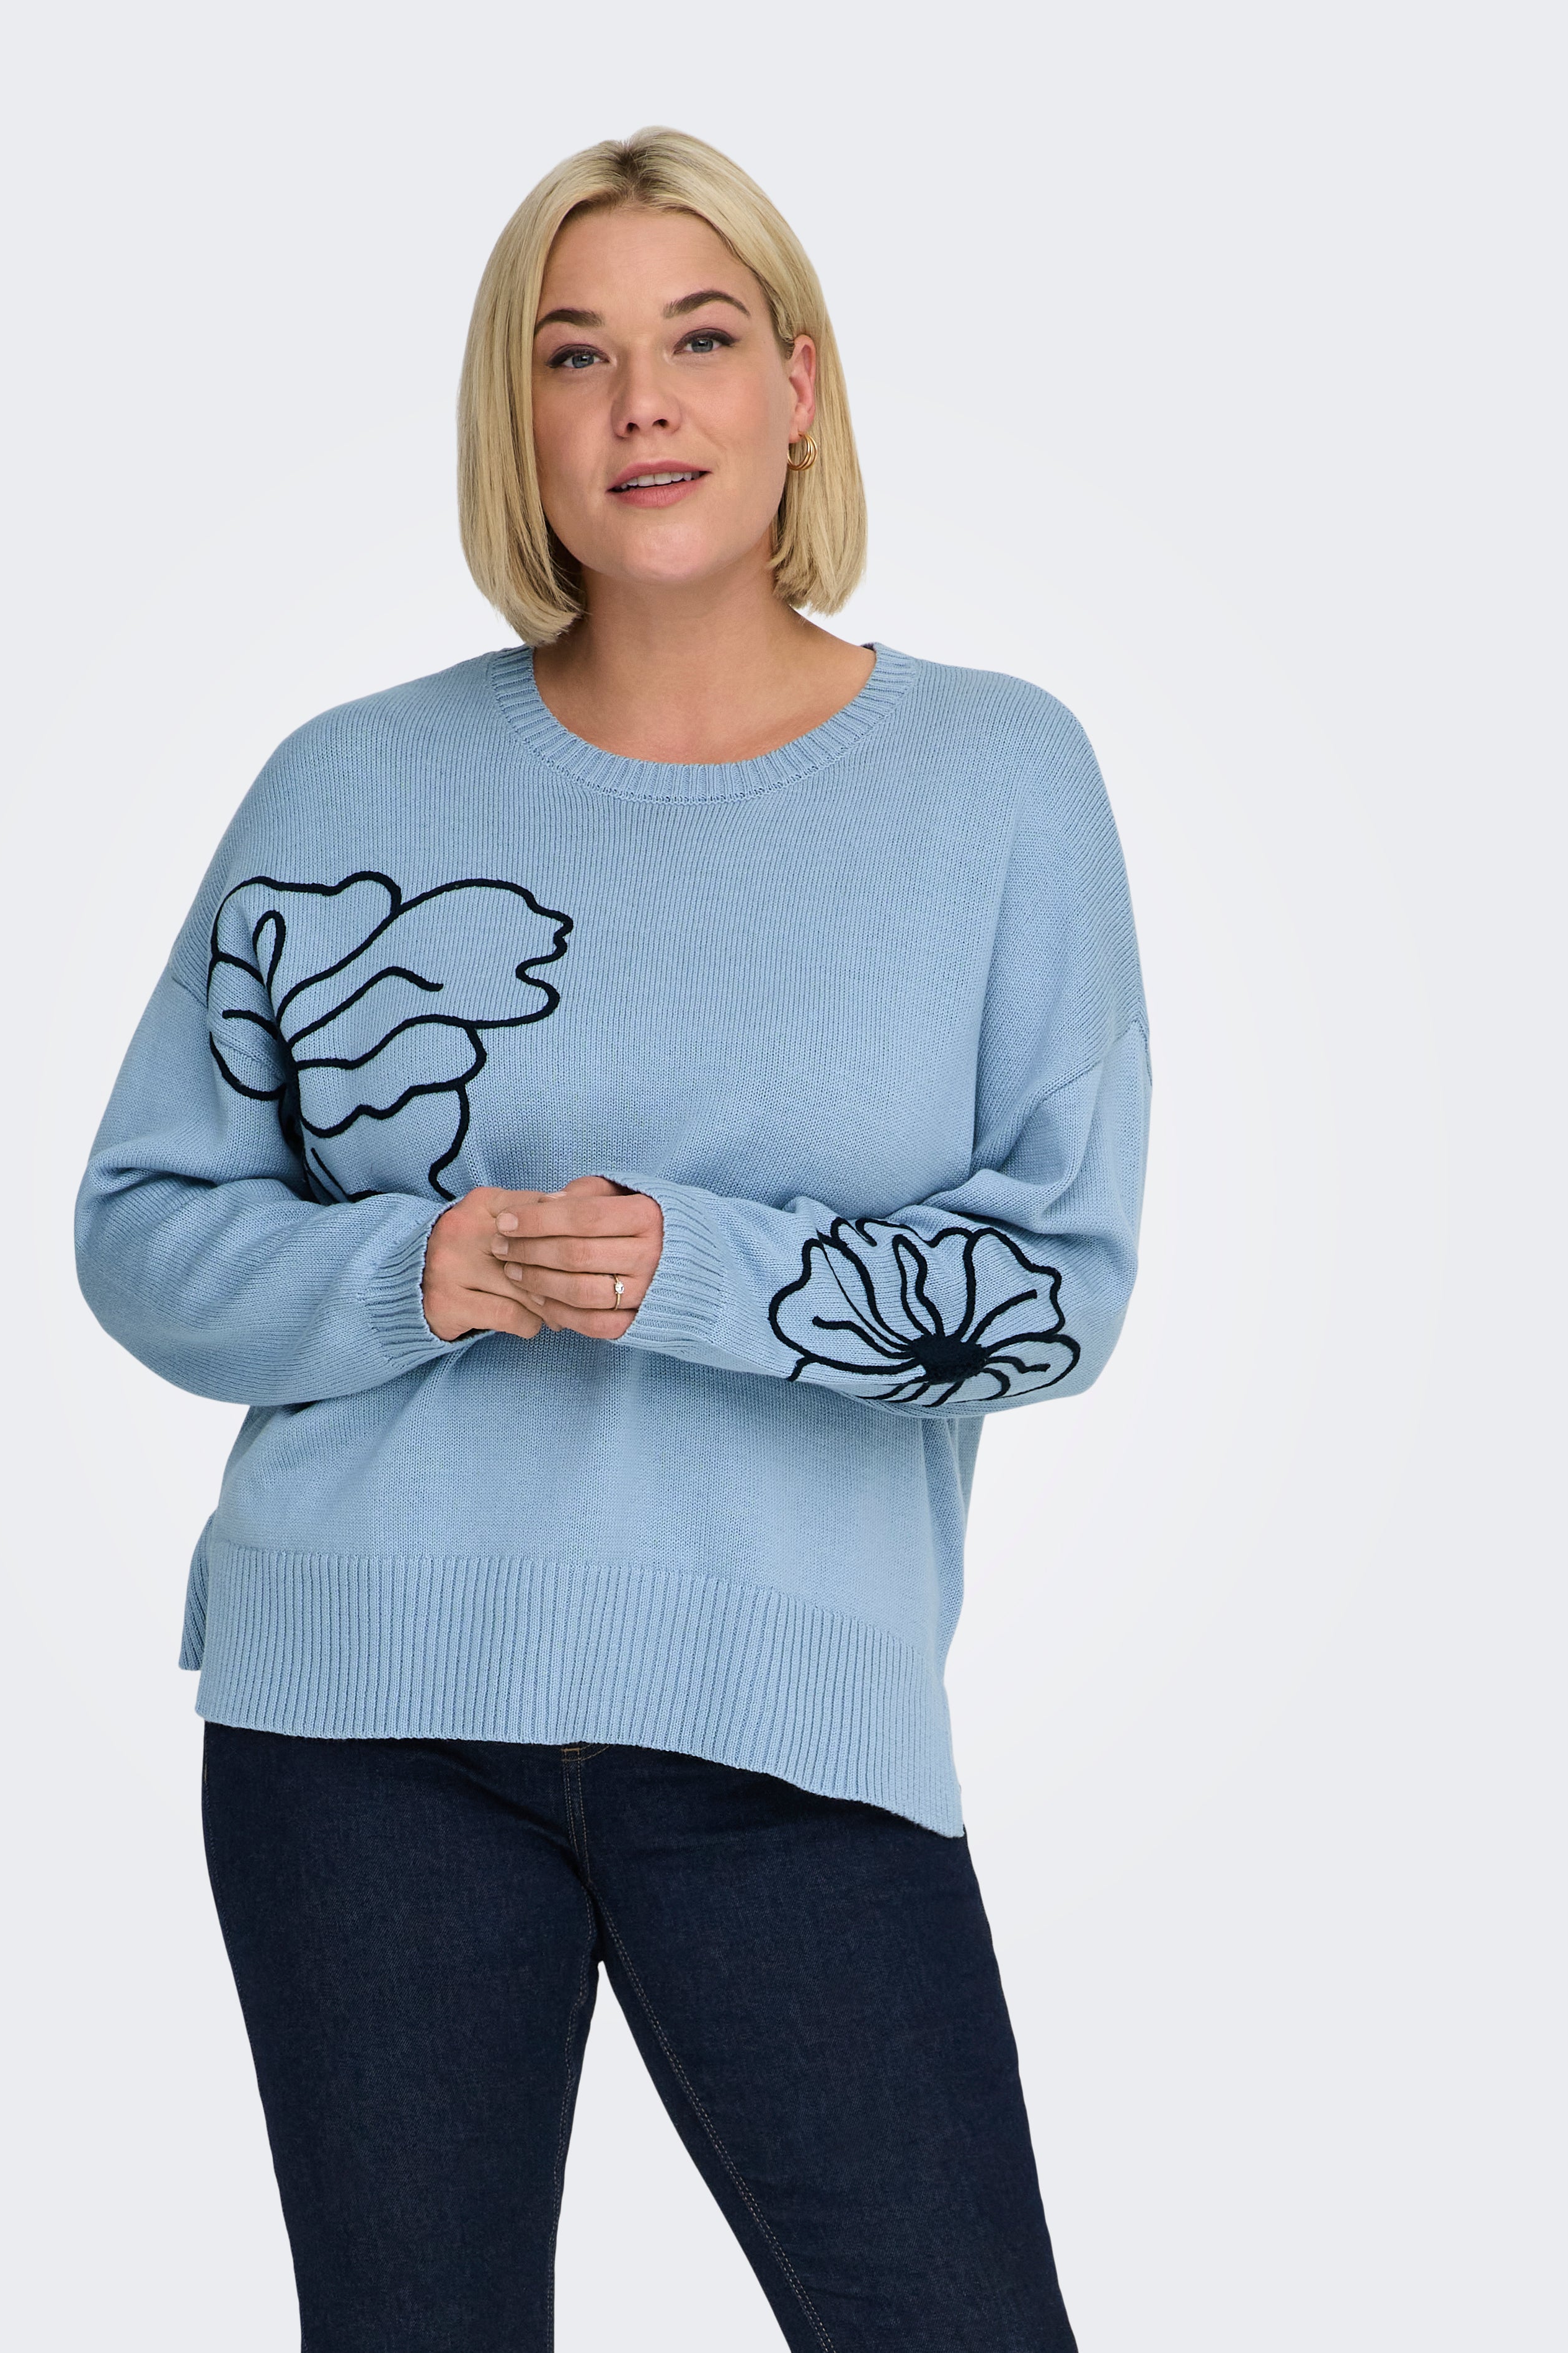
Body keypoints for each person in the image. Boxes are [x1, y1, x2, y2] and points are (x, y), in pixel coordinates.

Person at [75, 125, 1150, 2353]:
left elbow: (1059, 1290)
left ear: (800, 388)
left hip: (791, 1736)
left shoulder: (998, 782)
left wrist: (703, 1270)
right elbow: (141, 1227)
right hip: (361, 1727)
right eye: (575, 355)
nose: (642, 401)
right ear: (522, 420)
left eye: (700, 339)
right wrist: (422, 1274)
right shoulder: (348, 788)